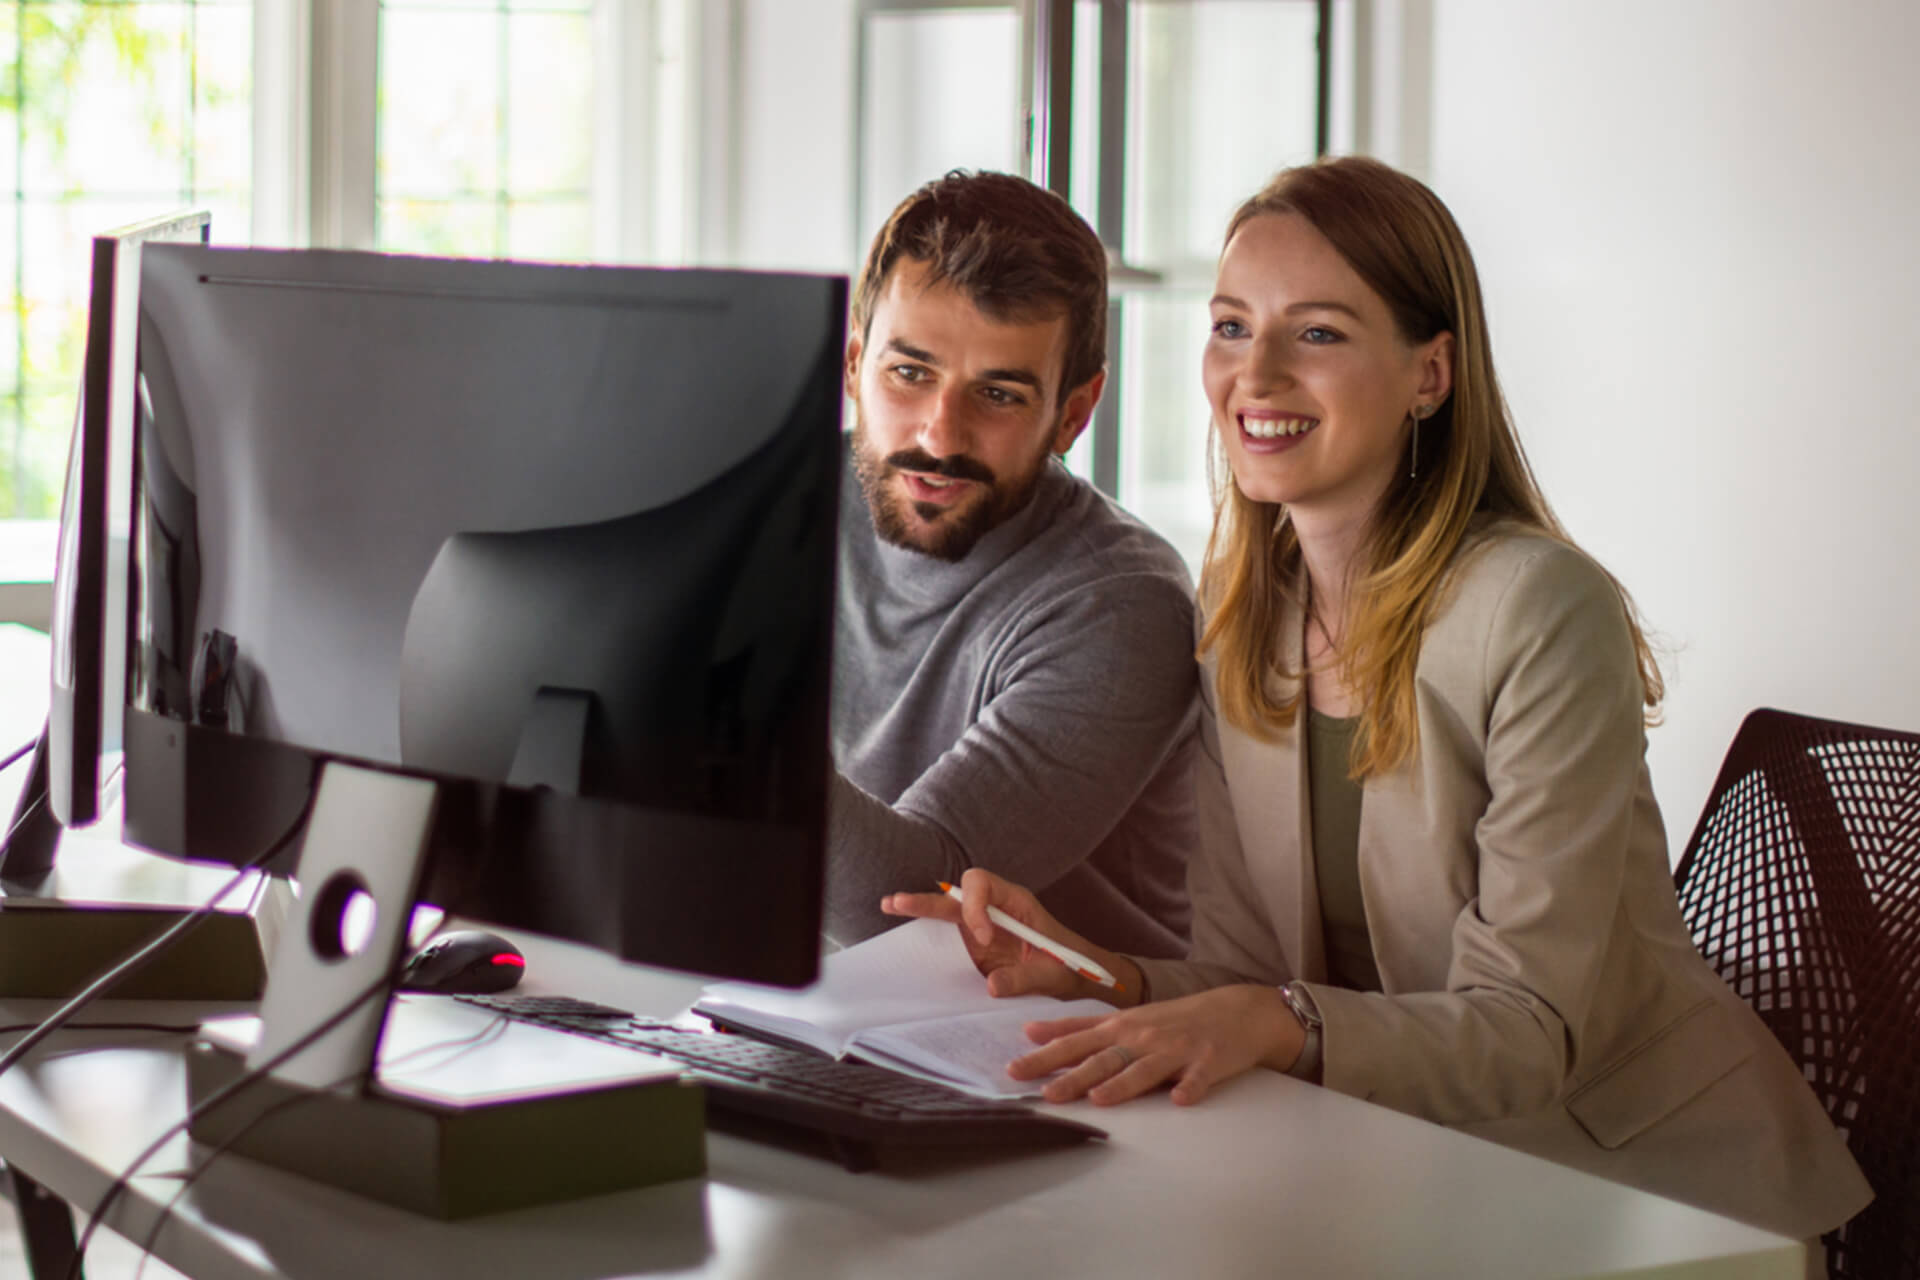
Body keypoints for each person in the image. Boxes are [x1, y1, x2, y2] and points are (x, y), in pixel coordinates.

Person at [885, 156, 1870, 1249]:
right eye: (1228, 326)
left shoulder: (1539, 611)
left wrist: (1270, 1016)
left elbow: (1528, 1029)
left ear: (1430, 375)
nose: (1254, 373)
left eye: (1316, 333)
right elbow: (1255, 975)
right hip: (1406, 1162)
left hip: (1647, 1197)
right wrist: (1101, 969)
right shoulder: (1244, 616)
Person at [826, 170, 1197, 959]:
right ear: (855, 363)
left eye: (998, 394)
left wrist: (696, 722)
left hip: (1057, 1052)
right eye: (909, 372)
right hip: (801, 1006)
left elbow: (914, 913)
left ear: (1073, 413)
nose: (938, 435)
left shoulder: (1121, 603)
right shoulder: (775, 502)